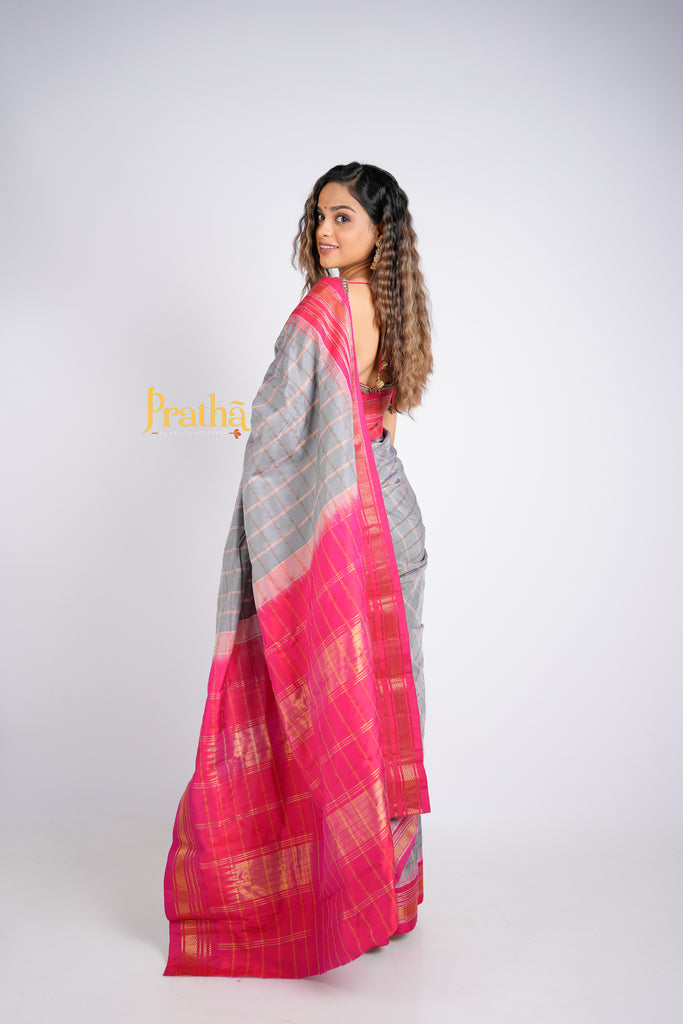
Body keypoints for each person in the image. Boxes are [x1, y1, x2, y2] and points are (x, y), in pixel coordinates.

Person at [163, 162, 433, 979]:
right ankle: (390, 896)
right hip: (392, 507)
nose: (324, 232)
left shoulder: (325, 308)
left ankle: (348, 902)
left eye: (343, 217)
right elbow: (371, 421)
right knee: (386, 696)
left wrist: (269, 500)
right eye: (319, 216)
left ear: (379, 231)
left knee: (331, 699)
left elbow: (278, 435)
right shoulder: (394, 305)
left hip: (345, 520)